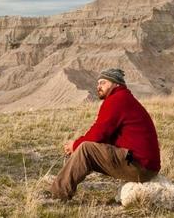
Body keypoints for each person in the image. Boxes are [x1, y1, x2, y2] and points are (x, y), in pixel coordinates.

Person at [50, 68, 160, 201]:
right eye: (98, 83)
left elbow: (99, 133)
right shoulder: (123, 98)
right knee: (86, 148)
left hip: (141, 167)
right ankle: (59, 189)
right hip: (143, 165)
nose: (98, 86)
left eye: (103, 83)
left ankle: (58, 195)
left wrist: (75, 145)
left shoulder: (117, 100)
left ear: (116, 84)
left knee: (86, 149)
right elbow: (103, 134)